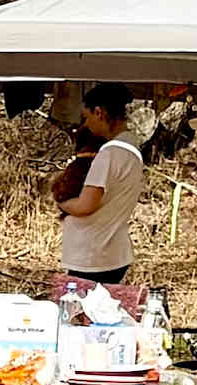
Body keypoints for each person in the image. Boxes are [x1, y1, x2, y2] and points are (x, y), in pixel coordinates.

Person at [52, 86, 148, 296]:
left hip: (94, 256)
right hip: (109, 251)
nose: (86, 124)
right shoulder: (131, 149)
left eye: (87, 117)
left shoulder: (110, 153)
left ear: (99, 112)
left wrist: (62, 201)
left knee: (82, 318)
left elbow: (85, 205)